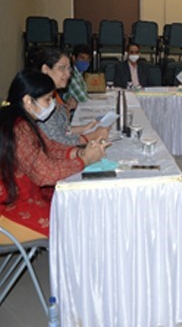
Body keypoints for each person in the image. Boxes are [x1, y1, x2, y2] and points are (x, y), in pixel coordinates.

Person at [0, 71, 108, 239]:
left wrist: (79, 152)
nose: (52, 105)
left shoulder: (22, 120)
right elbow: (44, 174)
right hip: (8, 208)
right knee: (78, 220)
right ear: (28, 101)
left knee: (76, 203)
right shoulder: (18, 128)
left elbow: (49, 147)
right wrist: (85, 160)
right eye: (47, 99)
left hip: (21, 192)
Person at [31, 48, 108, 145]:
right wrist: (92, 136)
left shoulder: (52, 95)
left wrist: (86, 127)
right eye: (62, 68)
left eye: (69, 69)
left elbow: (62, 129)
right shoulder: (40, 100)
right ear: (45, 69)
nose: (68, 74)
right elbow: (56, 143)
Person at [62, 43, 92, 110]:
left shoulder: (79, 73)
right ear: (74, 58)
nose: (85, 61)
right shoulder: (71, 75)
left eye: (88, 59)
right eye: (82, 58)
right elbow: (83, 99)